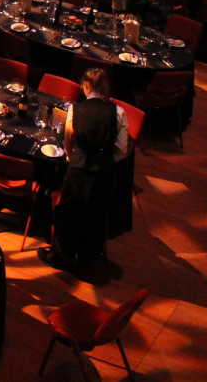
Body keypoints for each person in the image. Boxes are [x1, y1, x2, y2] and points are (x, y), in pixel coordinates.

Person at [38, 68, 128, 272]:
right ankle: (89, 259)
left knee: (69, 214)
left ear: (86, 86)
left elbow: (69, 141)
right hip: (104, 172)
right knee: (96, 216)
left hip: (79, 169)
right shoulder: (119, 112)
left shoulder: (75, 109)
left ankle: (62, 257)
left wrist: (74, 158)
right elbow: (121, 149)